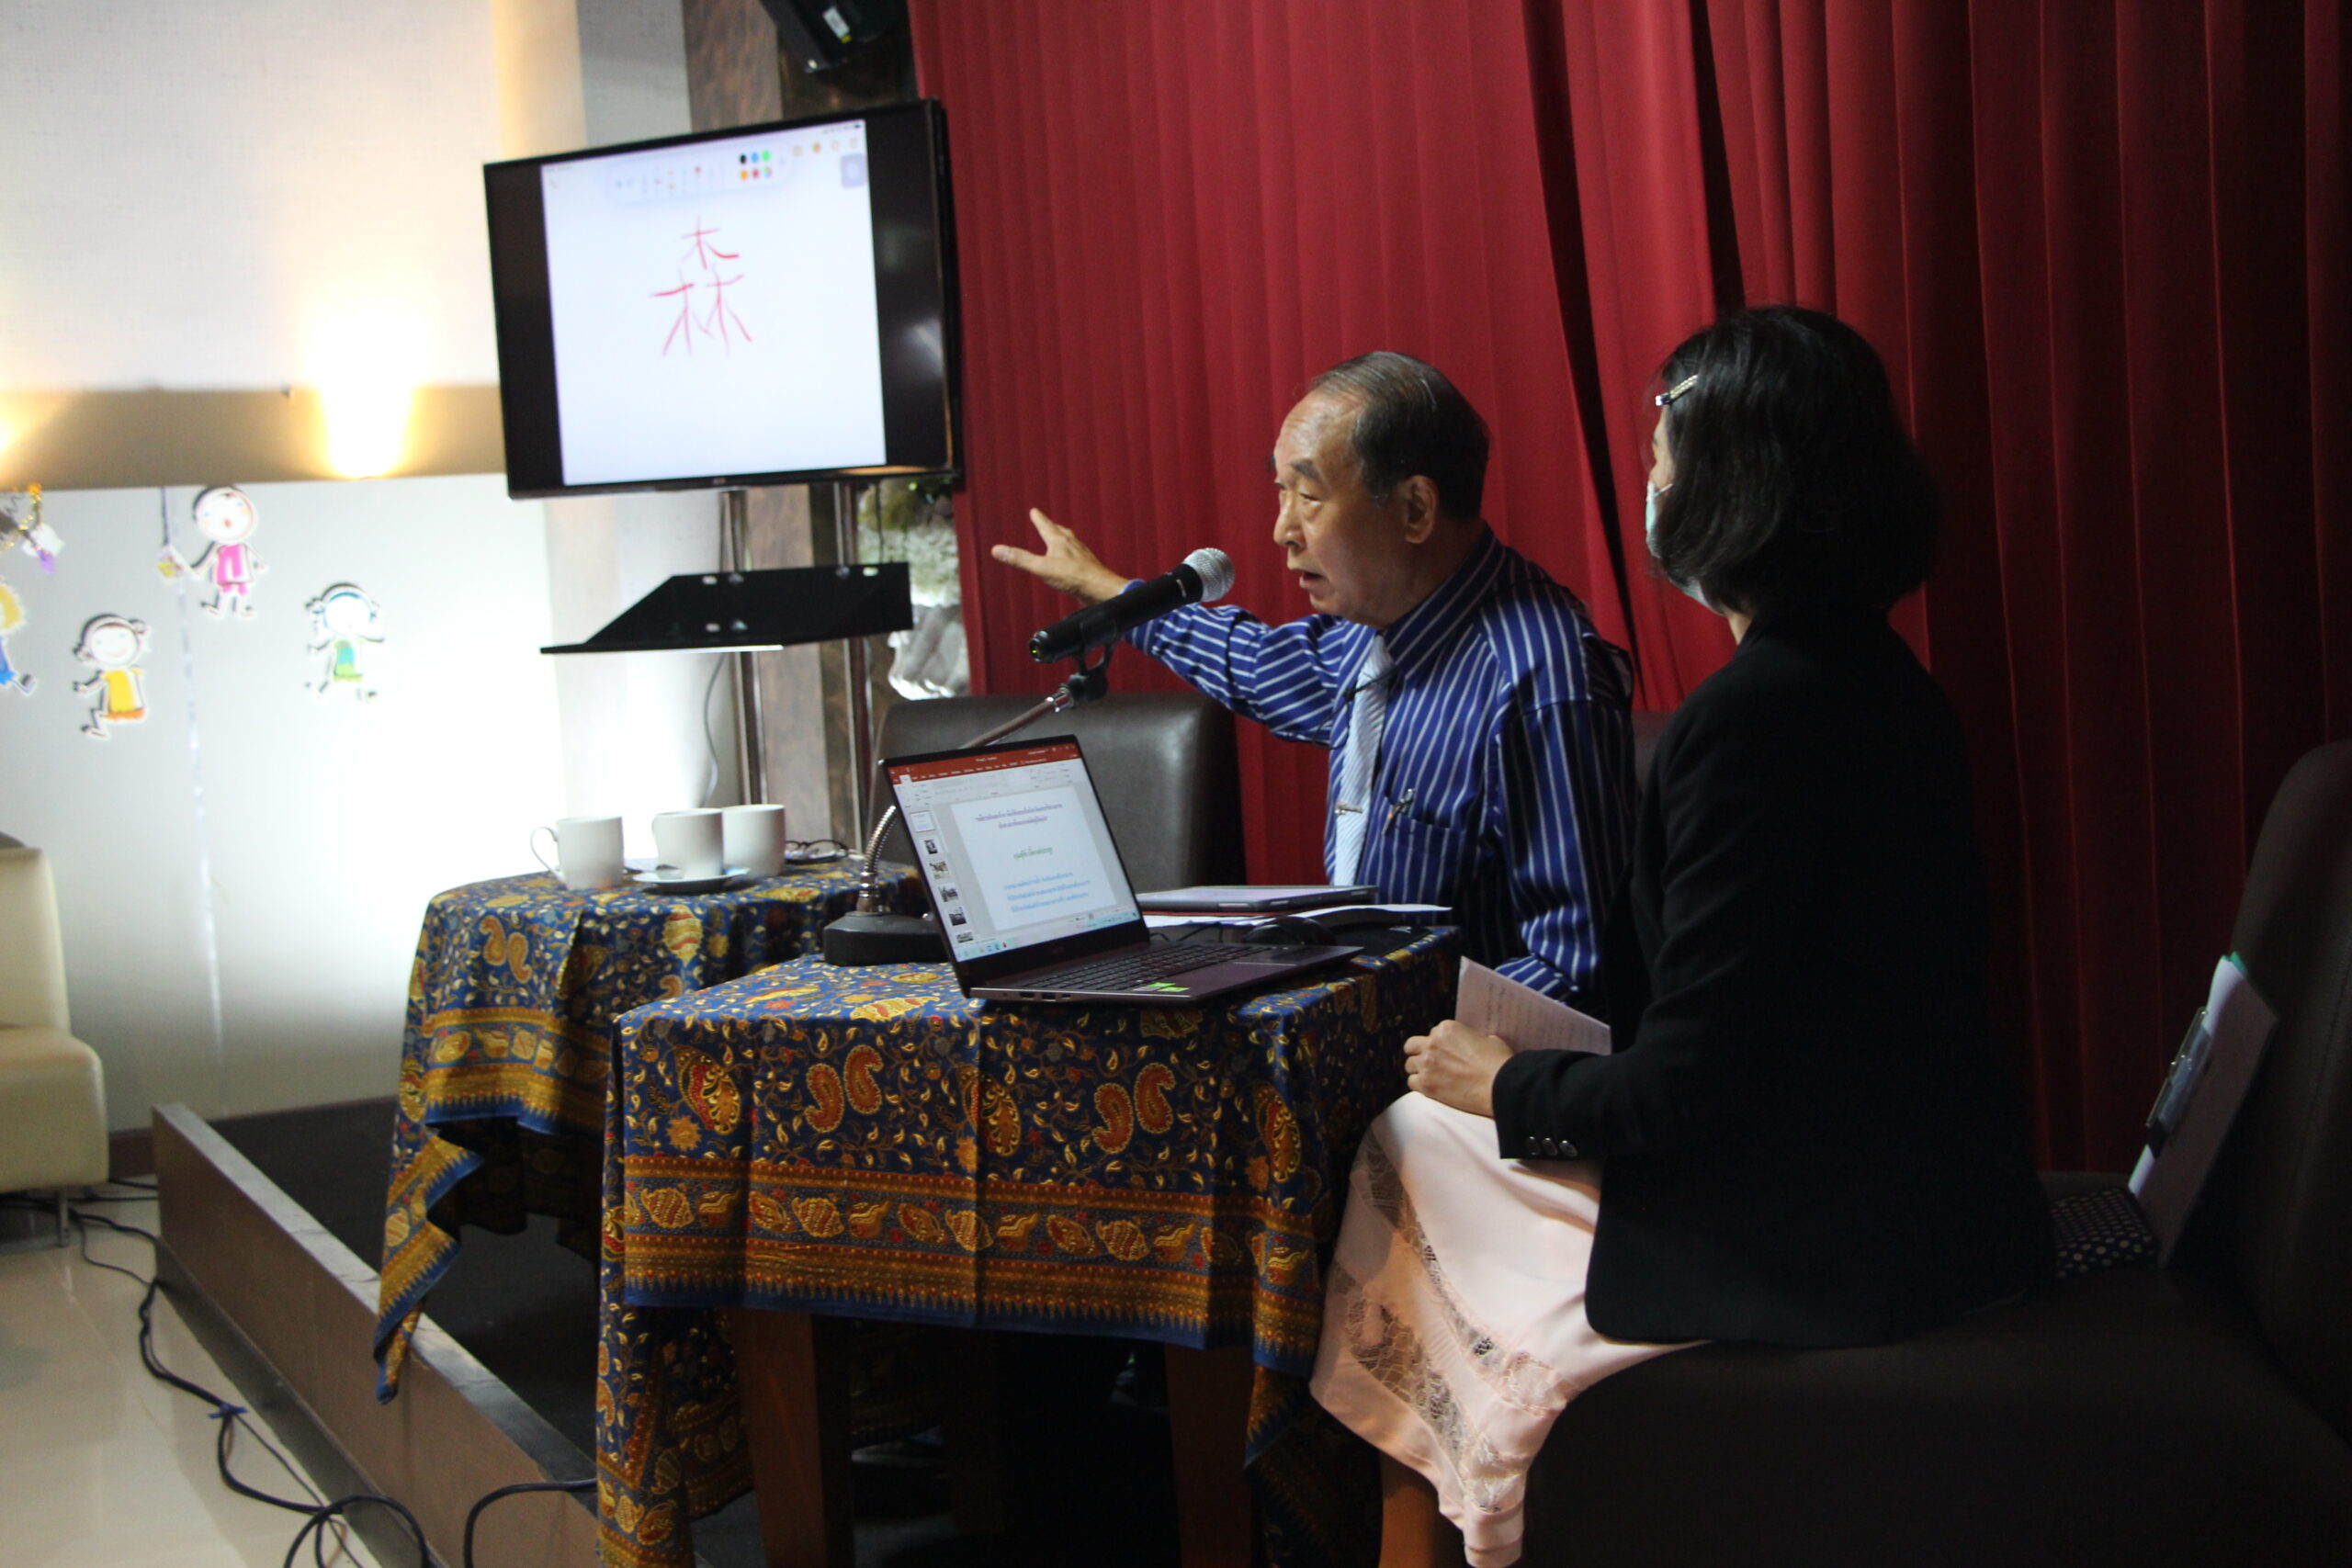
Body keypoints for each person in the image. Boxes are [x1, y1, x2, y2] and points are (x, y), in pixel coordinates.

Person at [1307, 308, 2053, 1568]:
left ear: (1735, 483)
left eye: (1660, 459)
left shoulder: (1745, 722)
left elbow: (1689, 1086)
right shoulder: (1890, 682)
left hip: (1826, 1235)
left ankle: (1473, 1506)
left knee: (1412, 1131)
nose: (1649, 487)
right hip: (1936, 1193)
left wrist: (1507, 1082)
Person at [993, 352, 1635, 1005]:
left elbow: (1575, 967)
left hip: (1456, 1050)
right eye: (1280, 492)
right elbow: (1258, 663)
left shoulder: (1540, 680)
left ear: (1415, 509)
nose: (1283, 531)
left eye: (1308, 496)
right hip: (1355, 1017)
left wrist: (1408, 1042)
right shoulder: (1378, 630)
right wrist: (1110, 596)